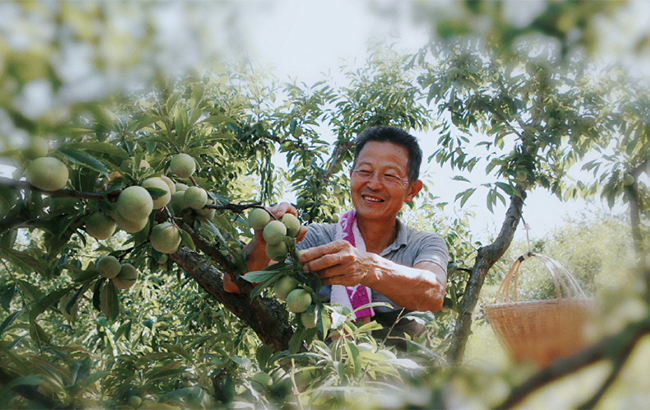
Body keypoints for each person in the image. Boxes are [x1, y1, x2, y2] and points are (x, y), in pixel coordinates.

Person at [227, 126, 448, 347]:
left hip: (410, 379)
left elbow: (433, 292)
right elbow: (233, 285)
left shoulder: (424, 244)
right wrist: (264, 240)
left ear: (412, 190)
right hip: (331, 377)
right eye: (364, 171)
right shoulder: (318, 238)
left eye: (389, 175)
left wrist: (367, 268)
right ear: (351, 177)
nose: (374, 184)